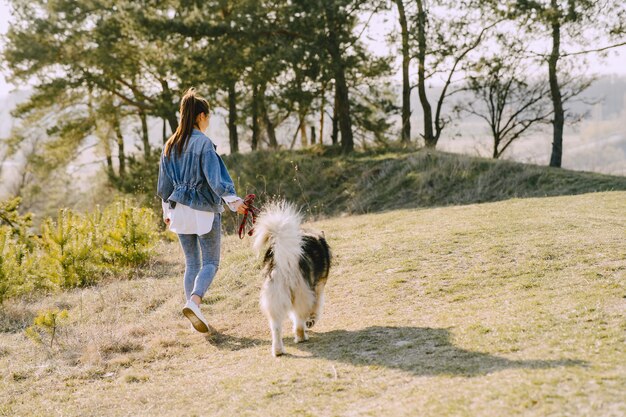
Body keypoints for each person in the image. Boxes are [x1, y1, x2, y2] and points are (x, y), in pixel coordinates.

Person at [157, 87, 246, 333]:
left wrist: (166, 211)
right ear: (200, 116)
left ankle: (193, 310)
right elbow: (216, 180)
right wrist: (234, 202)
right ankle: (194, 303)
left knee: (192, 264)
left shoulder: (169, 145)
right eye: (208, 116)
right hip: (203, 210)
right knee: (211, 262)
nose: (208, 121)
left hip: (178, 211)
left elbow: (164, 186)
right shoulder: (204, 144)